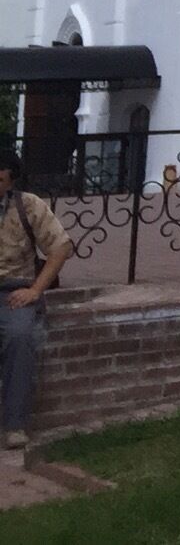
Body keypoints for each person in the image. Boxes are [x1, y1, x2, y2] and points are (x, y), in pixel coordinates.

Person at [0, 144, 71, 449]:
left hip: (14, 290)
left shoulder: (28, 206)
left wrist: (35, 290)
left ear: (10, 181)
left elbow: (61, 247)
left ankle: (15, 425)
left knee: (20, 337)